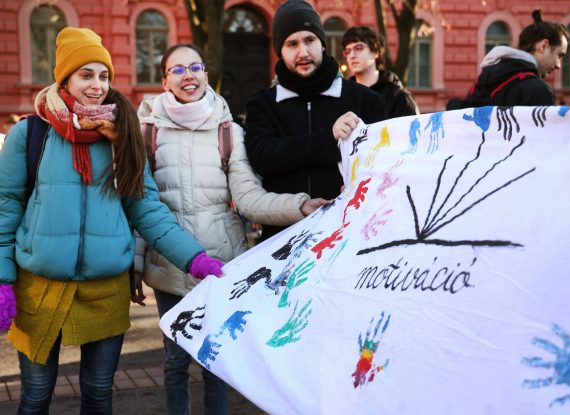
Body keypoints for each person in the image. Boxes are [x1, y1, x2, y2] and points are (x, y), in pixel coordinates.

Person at [0, 27, 224, 414]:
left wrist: (195, 259)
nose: (97, 86)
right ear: (65, 78)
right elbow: (6, 207)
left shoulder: (123, 136)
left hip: (105, 292)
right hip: (38, 288)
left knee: (99, 395)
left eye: (103, 76)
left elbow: (147, 209)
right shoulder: (30, 132)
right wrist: (2, 278)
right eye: (86, 75)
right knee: (35, 398)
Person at [133, 43, 327, 415]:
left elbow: (249, 198)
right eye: (178, 69)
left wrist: (299, 205)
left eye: (195, 67)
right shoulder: (146, 132)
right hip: (167, 267)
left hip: (221, 263)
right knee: (175, 361)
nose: (188, 75)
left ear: (206, 74)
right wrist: (137, 265)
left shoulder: (228, 131)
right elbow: (141, 207)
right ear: (164, 80)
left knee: (215, 360)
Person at [244, 0, 386, 241]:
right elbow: (263, 158)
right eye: (292, 44)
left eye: (309, 40)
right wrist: (327, 138)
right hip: (281, 241)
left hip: (350, 237)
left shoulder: (365, 100)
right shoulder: (263, 104)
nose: (303, 52)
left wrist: (361, 185)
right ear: (280, 50)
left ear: (322, 43)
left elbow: (383, 162)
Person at [447, 9, 569, 109]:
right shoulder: (539, 91)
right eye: (559, 55)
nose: (558, 65)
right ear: (543, 46)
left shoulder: (483, 81)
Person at [341, 25, 419, 118]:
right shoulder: (343, 97)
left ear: (376, 52)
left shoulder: (399, 98)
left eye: (358, 48)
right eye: (347, 51)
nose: (352, 55)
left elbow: (415, 131)